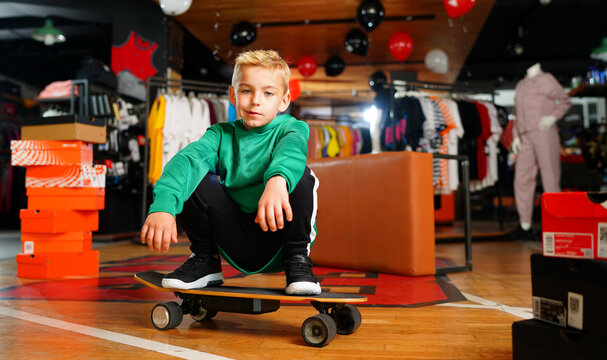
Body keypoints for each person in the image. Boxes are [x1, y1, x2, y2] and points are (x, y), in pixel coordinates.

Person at [140, 49, 321, 295]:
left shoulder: (292, 128)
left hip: (279, 241)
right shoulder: (219, 134)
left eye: (268, 93)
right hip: (233, 237)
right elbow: (187, 159)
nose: (256, 100)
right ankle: (205, 260)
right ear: (233, 95)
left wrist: (277, 180)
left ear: (284, 100)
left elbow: (292, 152)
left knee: (301, 174)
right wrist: (163, 205)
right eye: (247, 91)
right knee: (193, 173)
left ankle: (298, 261)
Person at [510, 62, 571, 240]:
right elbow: (517, 112)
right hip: (525, 135)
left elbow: (565, 101)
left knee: (550, 177)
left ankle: (554, 225)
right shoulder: (521, 84)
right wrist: (515, 136)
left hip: (543, 132)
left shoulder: (547, 80)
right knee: (522, 178)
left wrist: (553, 117)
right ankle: (525, 225)